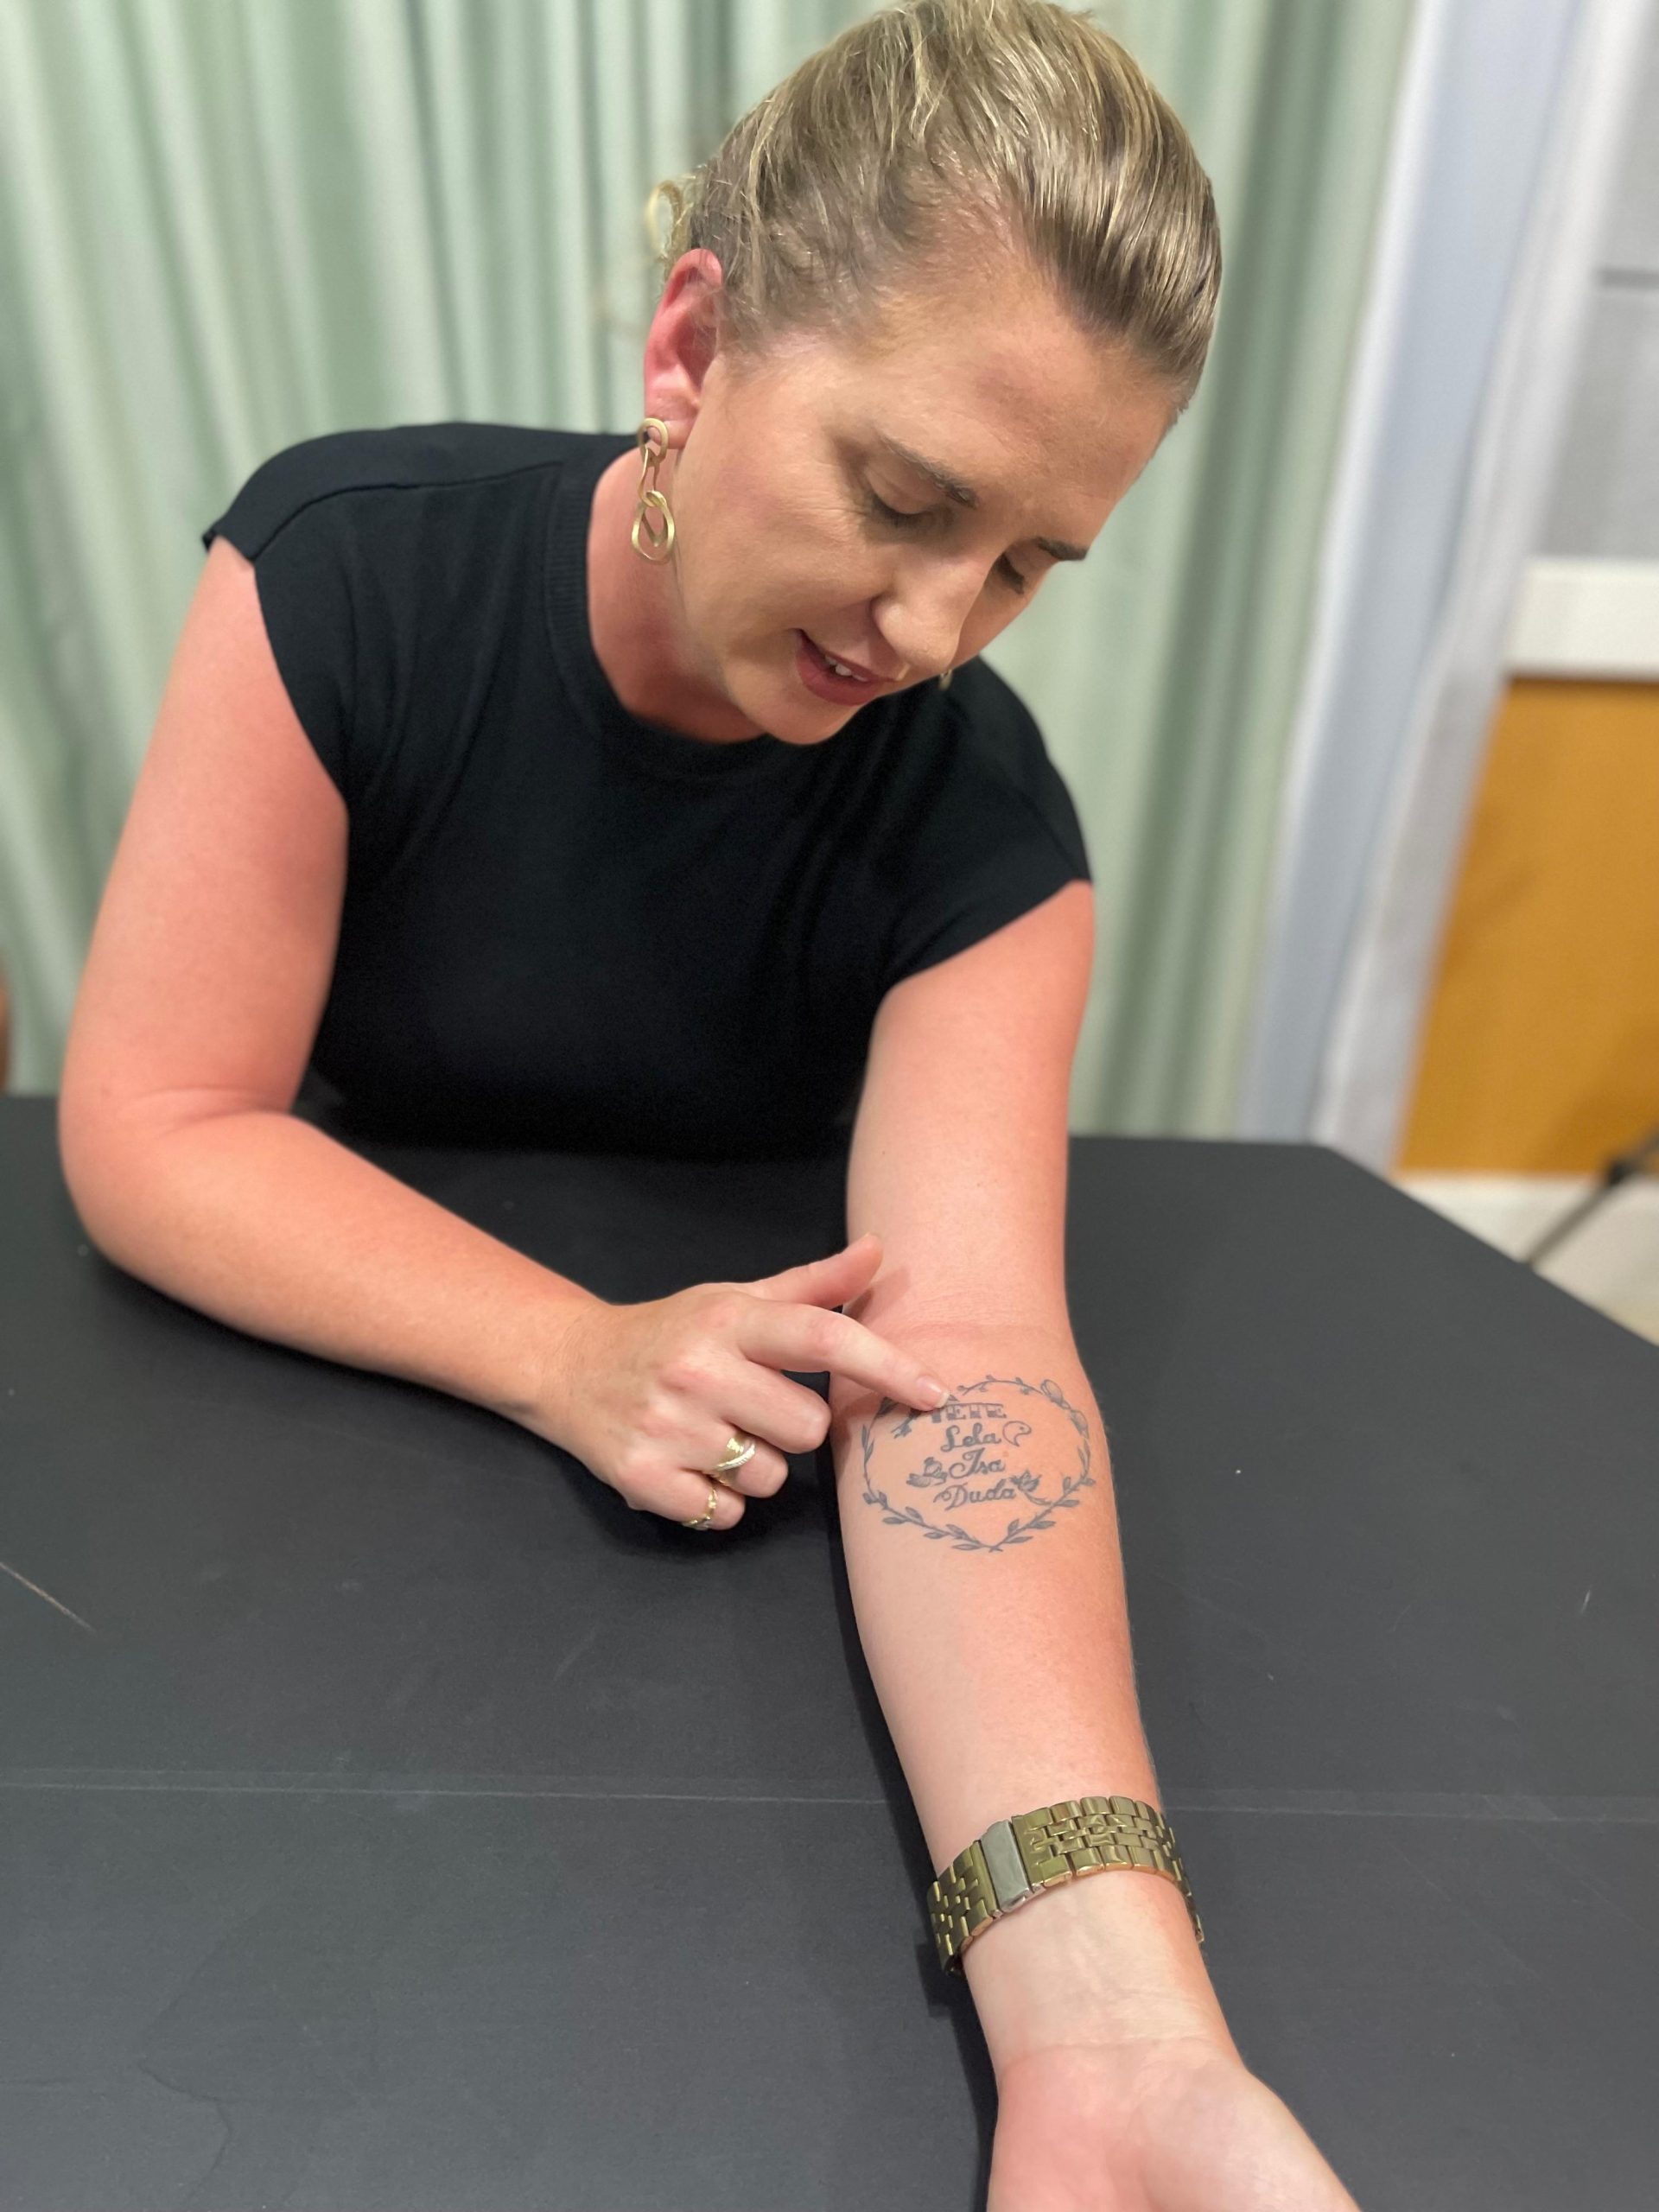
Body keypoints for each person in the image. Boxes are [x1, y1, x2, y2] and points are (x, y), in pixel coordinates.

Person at [59, 1, 1363, 2203]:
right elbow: (164, 1116)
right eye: (906, 499)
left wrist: (1118, 2030)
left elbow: (968, 1363)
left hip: (722, 1538)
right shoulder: (345, 570)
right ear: (694, 346)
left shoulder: (986, 837)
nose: (936, 624)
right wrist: (574, 1347)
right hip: (316, 1447)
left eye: (1026, 562)